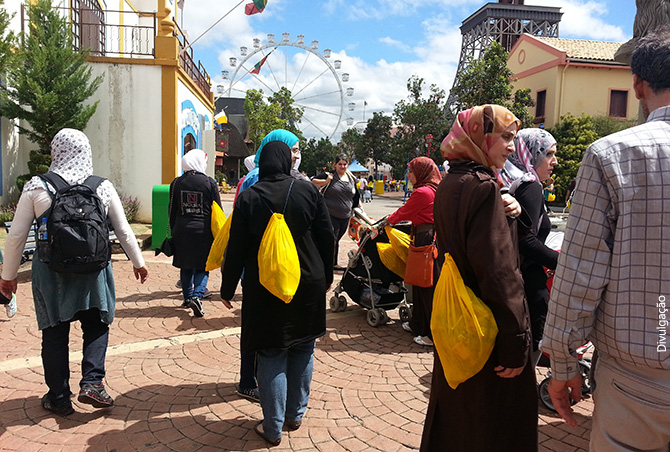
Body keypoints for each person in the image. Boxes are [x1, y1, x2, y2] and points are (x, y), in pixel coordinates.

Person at [542, 28, 670, 451]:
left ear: (637, 84)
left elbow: (581, 272)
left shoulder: (613, 155)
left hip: (640, 377)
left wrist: (562, 362)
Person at [0, 128, 149, 416]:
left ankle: (58, 397)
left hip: (51, 273)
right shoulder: (101, 186)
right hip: (94, 274)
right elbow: (123, 230)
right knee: (96, 325)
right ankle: (93, 382)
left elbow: (16, 235)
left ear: (56, 151)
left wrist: (8, 276)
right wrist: (139, 262)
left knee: (55, 334)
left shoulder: (37, 186)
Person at [421, 105, 536, 452]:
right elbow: (499, 271)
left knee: (458, 417)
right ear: (480, 137)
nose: (512, 147)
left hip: (457, 316)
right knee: (495, 424)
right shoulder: (483, 187)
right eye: (505, 137)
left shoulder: (452, 182)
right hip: (487, 325)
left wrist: (510, 213)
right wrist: (516, 343)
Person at [220, 141, 334, 446]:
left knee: (270, 351)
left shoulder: (249, 197)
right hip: (307, 281)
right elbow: (326, 236)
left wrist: (227, 286)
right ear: (287, 162)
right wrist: (327, 276)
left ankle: (272, 428)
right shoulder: (308, 191)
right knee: (302, 347)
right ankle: (295, 415)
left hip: (264, 286)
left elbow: (236, 249)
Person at [500, 128, 559, 365]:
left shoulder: (510, 182)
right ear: (531, 153)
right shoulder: (529, 186)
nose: (554, 161)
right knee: (533, 342)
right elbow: (526, 240)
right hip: (526, 281)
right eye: (549, 154)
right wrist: (564, 263)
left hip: (513, 276)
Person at [387, 157, 441, 347]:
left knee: (425, 286)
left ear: (421, 172)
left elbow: (404, 212)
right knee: (420, 284)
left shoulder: (424, 192)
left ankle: (430, 333)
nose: (408, 176)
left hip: (425, 240)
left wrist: (386, 221)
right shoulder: (434, 188)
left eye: (410, 171)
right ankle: (418, 323)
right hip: (426, 238)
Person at [312, 154, 360, 270]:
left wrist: (359, 210)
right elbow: (313, 181)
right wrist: (326, 181)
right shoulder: (330, 175)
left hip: (345, 216)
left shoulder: (351, 178)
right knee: (331, 238)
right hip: (330, 214)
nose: (342, 166)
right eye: (340, 164)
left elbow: (355, 196)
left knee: (336, 239)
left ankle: (332, 263)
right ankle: (326, 265)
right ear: (335, 165)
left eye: (344, 164)